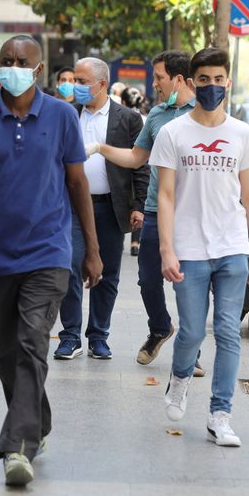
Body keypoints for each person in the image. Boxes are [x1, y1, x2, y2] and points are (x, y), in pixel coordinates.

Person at [0, 35, 102, 486]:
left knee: (34, 342)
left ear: (37, 69)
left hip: (49, 251)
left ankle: (17, 447)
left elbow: (77, 185)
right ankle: (38, 421)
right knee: (11, 352)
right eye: (6, 61)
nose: (13, 67)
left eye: (21, 62)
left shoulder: (60, 115)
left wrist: (91, 249)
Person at [152, 47, 249, 446]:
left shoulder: (242, 134)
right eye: (204, 80)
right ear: (191, 83)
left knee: (228, 333)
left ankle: (221, 414)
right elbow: (165, 196)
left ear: (228, 82)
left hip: (233, 247)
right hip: (189, 248)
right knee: (190, 333)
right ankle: (180, 379)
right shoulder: (173, 132)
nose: (212, 86)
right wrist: (167, 249)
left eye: (219, 79)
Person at [92, 50, 204, 376]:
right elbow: (135, 158)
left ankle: (190, 351)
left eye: (159, 77)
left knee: (189, 285)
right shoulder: (156, 115)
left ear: (179, 79)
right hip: (156, 211)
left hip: (193, 214)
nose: (154, 83)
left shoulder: (204, 113)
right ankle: (160, 327)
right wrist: (101, 149)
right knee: (147, 281)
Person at [52, 58, 149, 361]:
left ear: (102, 84)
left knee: (107, 273)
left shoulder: (128, 119)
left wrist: (138, 205)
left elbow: (139, 166)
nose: (76, 87)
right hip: (70, 208)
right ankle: (70, 335)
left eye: (82, 81)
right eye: (74, 81)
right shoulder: (67, 114)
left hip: (109, 207)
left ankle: (98, 336)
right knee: (69, 266)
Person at [121, 86, 147, 257]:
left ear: (123, 102)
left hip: (125, 166)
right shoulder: (146, 118)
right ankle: (135, 241)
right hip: (143, 167)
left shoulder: (121, 118)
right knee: (139, 203)